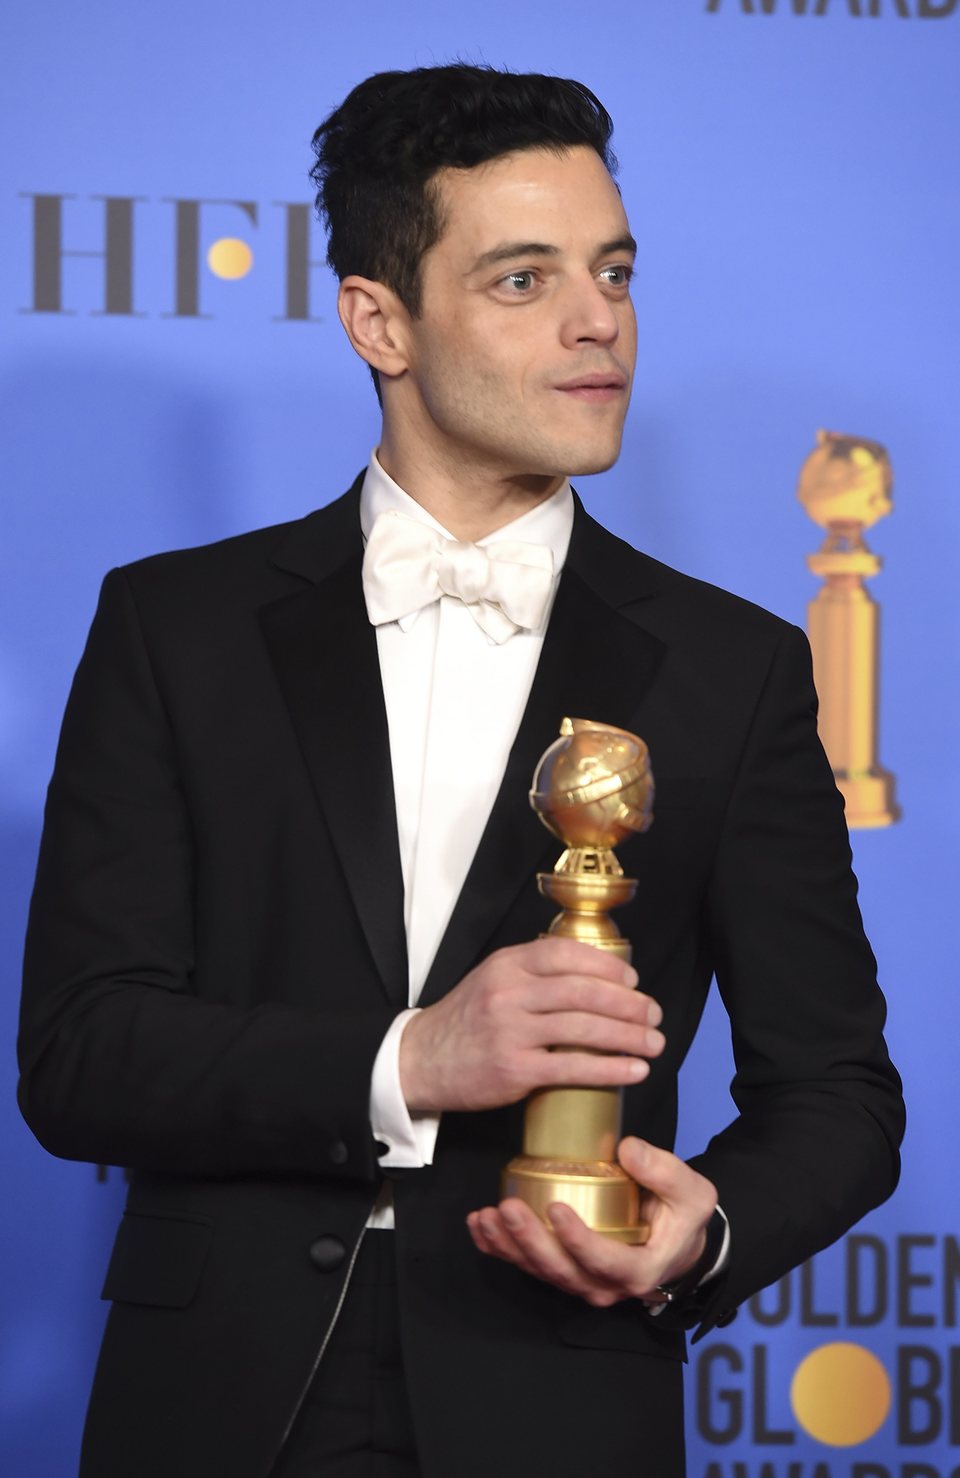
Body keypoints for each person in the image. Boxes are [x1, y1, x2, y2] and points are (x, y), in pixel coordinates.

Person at [19, 64, 904, 1478]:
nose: (596, 318)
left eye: (613, 269)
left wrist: (707, 1228)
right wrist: (415, 1058)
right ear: (380, 320)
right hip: (219, 1398)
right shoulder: (174, 627)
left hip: (557, 1397)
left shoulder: (732, 667)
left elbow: (840, 1093)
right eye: (521, 278)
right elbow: (80, 1055)